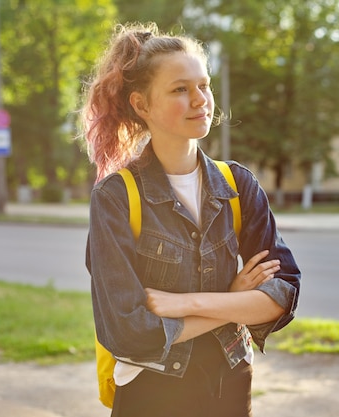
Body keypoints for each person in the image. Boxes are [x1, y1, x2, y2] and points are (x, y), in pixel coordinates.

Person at [81, 22, 301, 417]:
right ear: (141, 105)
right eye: (180, 89)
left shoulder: (238, 184)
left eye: (204, 85)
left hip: (231, 385)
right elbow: (128, 332)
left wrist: (186, 303)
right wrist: (235, 304)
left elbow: (283, 294)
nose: (200, 99)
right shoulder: (115, 196)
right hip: (151, 394)